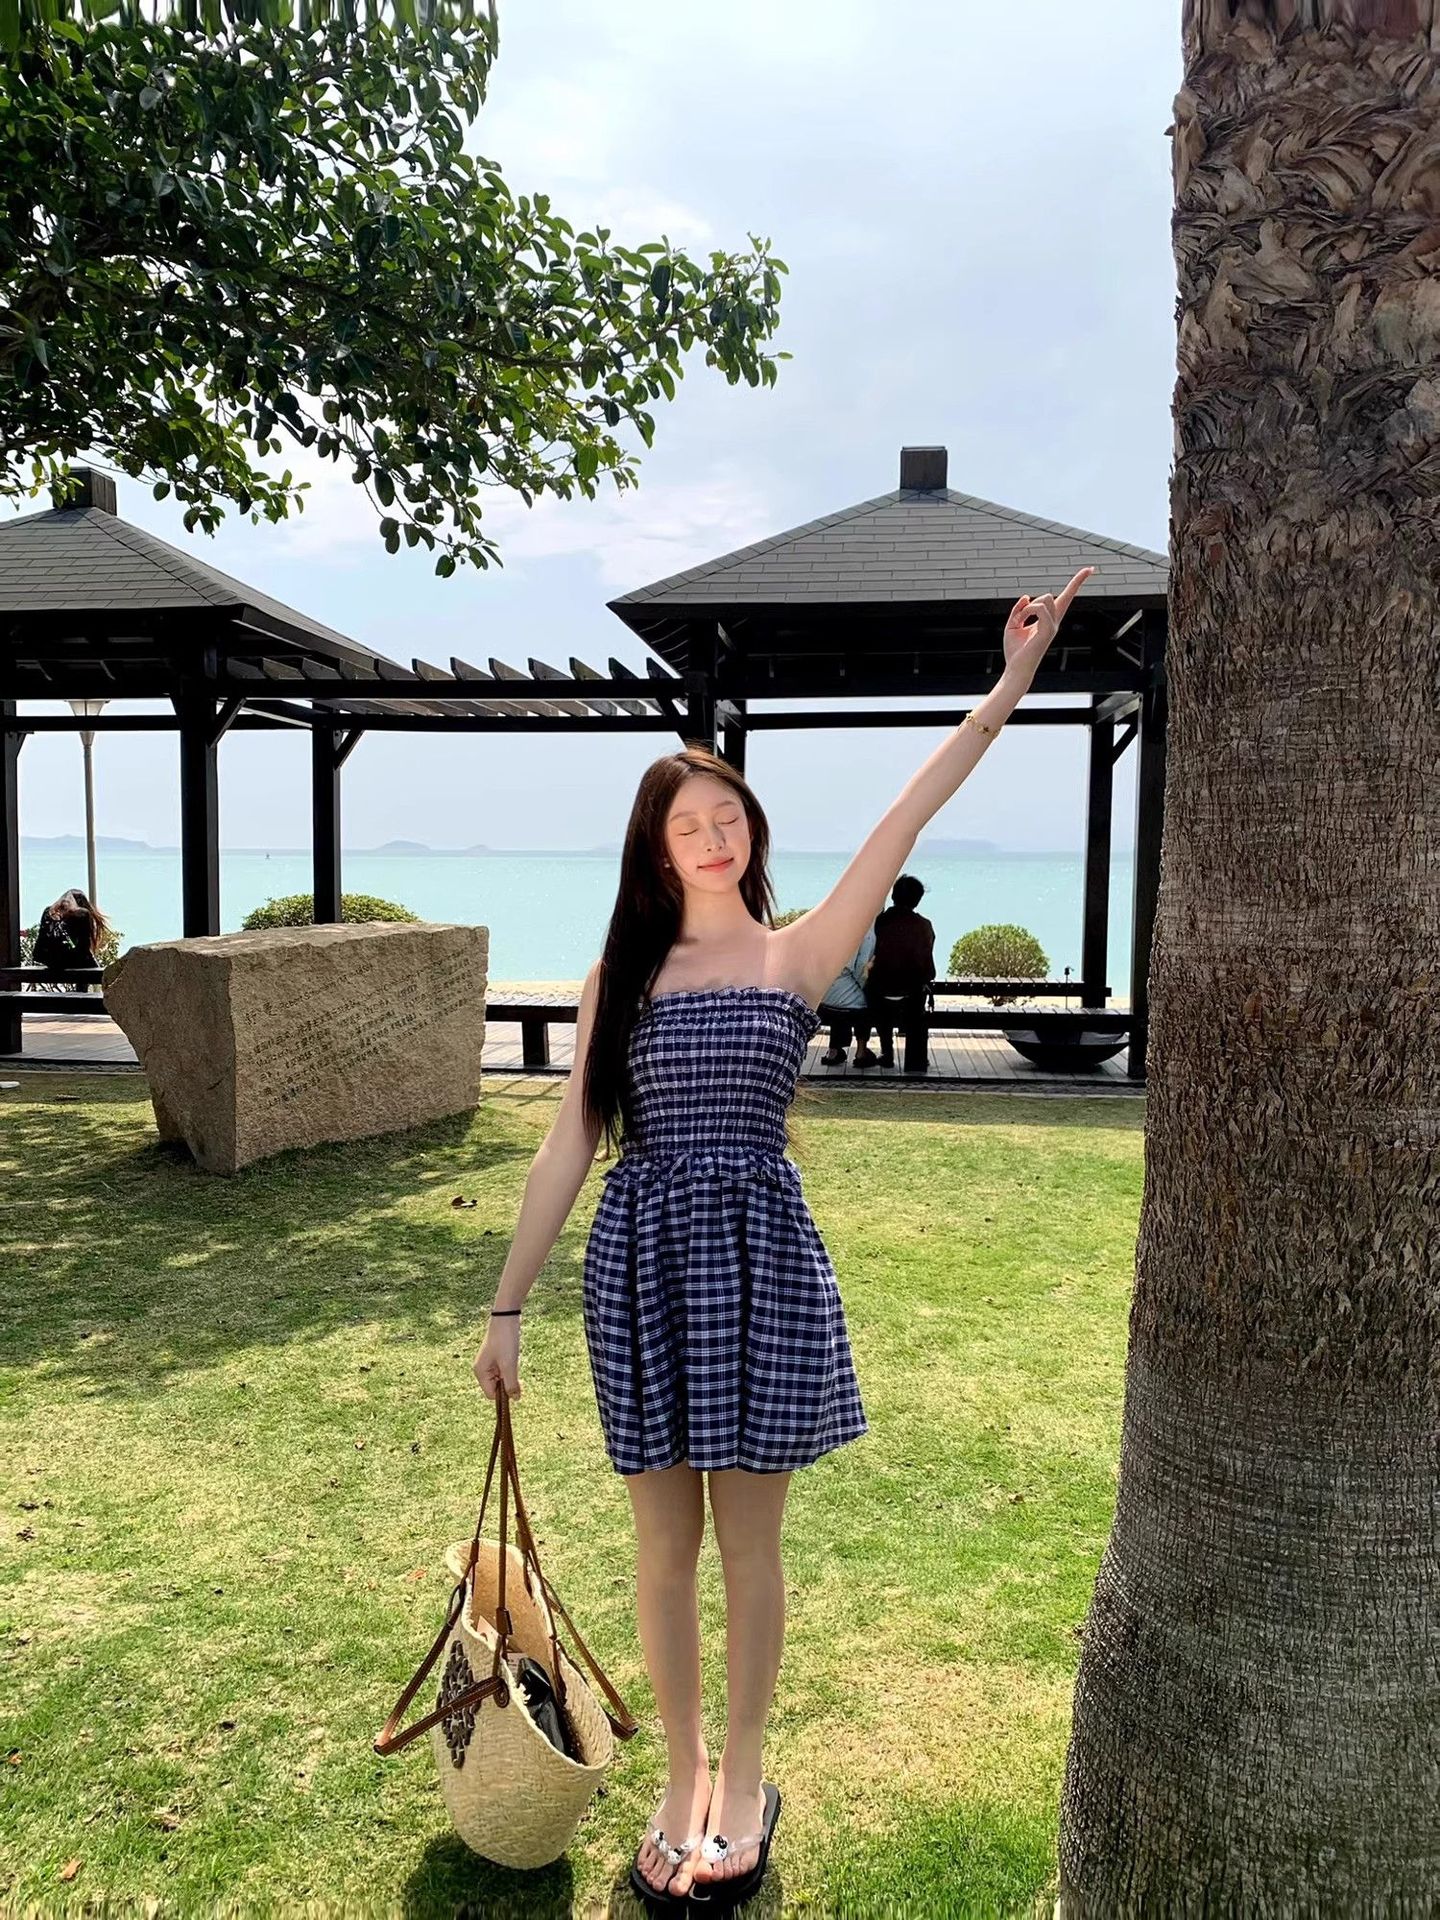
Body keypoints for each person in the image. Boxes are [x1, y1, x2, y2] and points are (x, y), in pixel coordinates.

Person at [471, 569, 1093, 1909]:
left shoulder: (797, 955)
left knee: (750, 1546)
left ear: (750, 835)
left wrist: (1007, 687)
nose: (713, 836)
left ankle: (744, 1775)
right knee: (662, 1548)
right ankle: (683, 1773)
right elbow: (570, 1142)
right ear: (656, 850)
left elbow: (909, 809)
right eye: (687, 823)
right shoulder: (618, 977)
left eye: (728, 818)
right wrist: (507, 1305)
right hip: (642, 1268)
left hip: (761, 1268)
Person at [865, 875, 937, 1073]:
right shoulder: (924, 926)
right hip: (912, 995)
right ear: (917, 900)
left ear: (893, 896)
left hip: (880, 992)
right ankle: (916, 1060)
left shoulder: (880, 922)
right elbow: (929, 970)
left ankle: (887, 1052)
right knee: (917, 1009)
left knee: (876, 997)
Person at [817, 927, 876, 1066]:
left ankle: (833, 1051)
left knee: (842, 1002)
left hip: (825, 997)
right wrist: (865, 987)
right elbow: (861, 966)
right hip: (847, 1000)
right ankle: (861, 1052)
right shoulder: (867, 930)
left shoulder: (834, 926)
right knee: (866, 1002)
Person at [31, 889, 109, 986]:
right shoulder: (82, 914)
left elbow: (43, 943)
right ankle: (83, 991)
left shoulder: (48, 911)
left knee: (82, 960)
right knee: (85, 962)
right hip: (71, 959)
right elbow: (83, 948)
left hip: (48, 959)